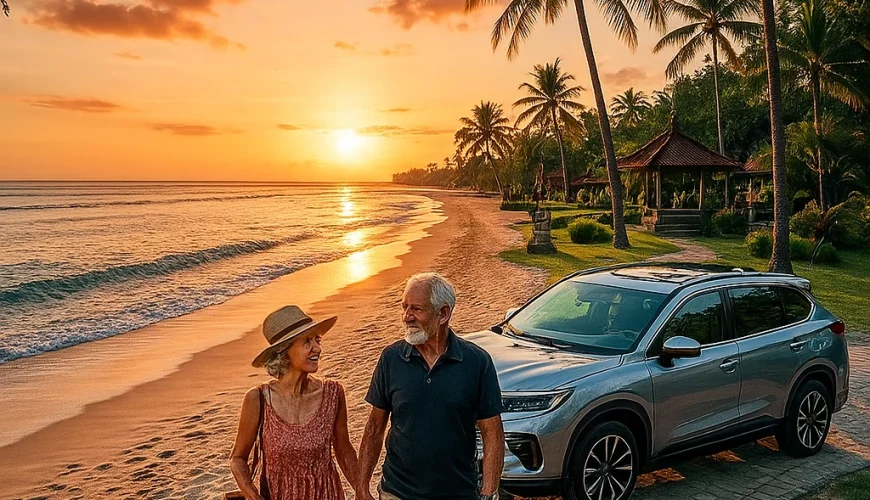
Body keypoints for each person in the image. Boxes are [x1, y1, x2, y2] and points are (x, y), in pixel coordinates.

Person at [356, 273, 505, 500]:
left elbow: (492, 433)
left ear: (443, 313)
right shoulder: (391, 358)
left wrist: (488, 493)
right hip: (396, 492)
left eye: (417, 309)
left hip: (458, 493)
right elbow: (374, 428)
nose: (407, 317)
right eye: (404, 307)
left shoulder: (477, 362)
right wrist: (361, 487)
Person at [230, 305, 358, 500]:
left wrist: (362, 490)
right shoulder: (258, 399)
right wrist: (253, 496)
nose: (317, 348)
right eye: (307, 341)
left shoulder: (333, 394)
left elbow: (344, 450)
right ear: (284, 351)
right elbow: (238, 459)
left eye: (317, 339)